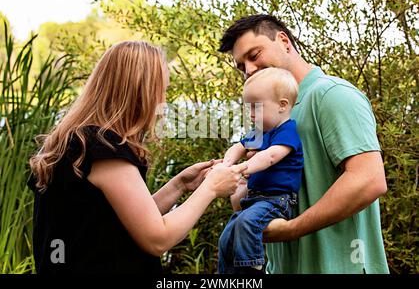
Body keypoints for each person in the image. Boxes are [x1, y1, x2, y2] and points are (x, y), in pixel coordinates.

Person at [28, 40, 247, 274]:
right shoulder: (103, 148)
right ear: (140, 91)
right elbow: (158, 239)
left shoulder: (76, 141)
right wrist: (211, 188)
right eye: (162, 90)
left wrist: (180, 185)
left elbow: (119, 220)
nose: (162, 100)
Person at [218, 14, 389, 273]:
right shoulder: (268, 117)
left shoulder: (332, 95)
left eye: (254, 55)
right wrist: (238, 181)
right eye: (242, 66)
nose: (249, 70)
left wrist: (292, 229)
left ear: (284, 41)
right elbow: (248, 200)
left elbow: (369, 180)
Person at [218, 68, 303, 274]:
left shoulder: (287, 130)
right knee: (227, 235)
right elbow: (239, 147)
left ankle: (253, 269)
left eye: (256, 108)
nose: (251, 114)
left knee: (247, 223)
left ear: (282, 105)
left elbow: (270, 156)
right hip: (254, 199)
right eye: (249, 109)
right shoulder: (259, 132)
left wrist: (242, 169)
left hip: (277, 199)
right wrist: (226, 164)